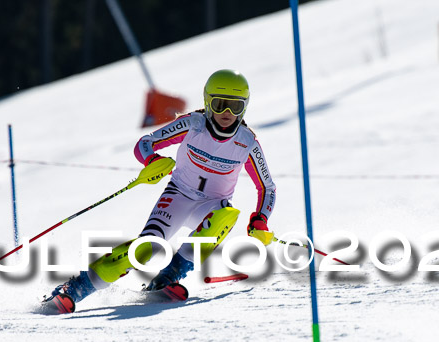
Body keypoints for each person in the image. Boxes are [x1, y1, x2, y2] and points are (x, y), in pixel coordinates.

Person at [47, 69, 276, 311]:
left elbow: (267, 188)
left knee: (227, 214)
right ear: (208, 102)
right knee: (146, 248)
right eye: (220, 105)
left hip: (211, 206)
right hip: (178, 195)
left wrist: (261, 219)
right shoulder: (193, 124)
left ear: (245, 107)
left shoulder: (247, 142)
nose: (226, 114)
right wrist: (152, 160)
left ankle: (169, 276)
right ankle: (75, 288)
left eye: (235, 107)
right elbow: (144, 143)